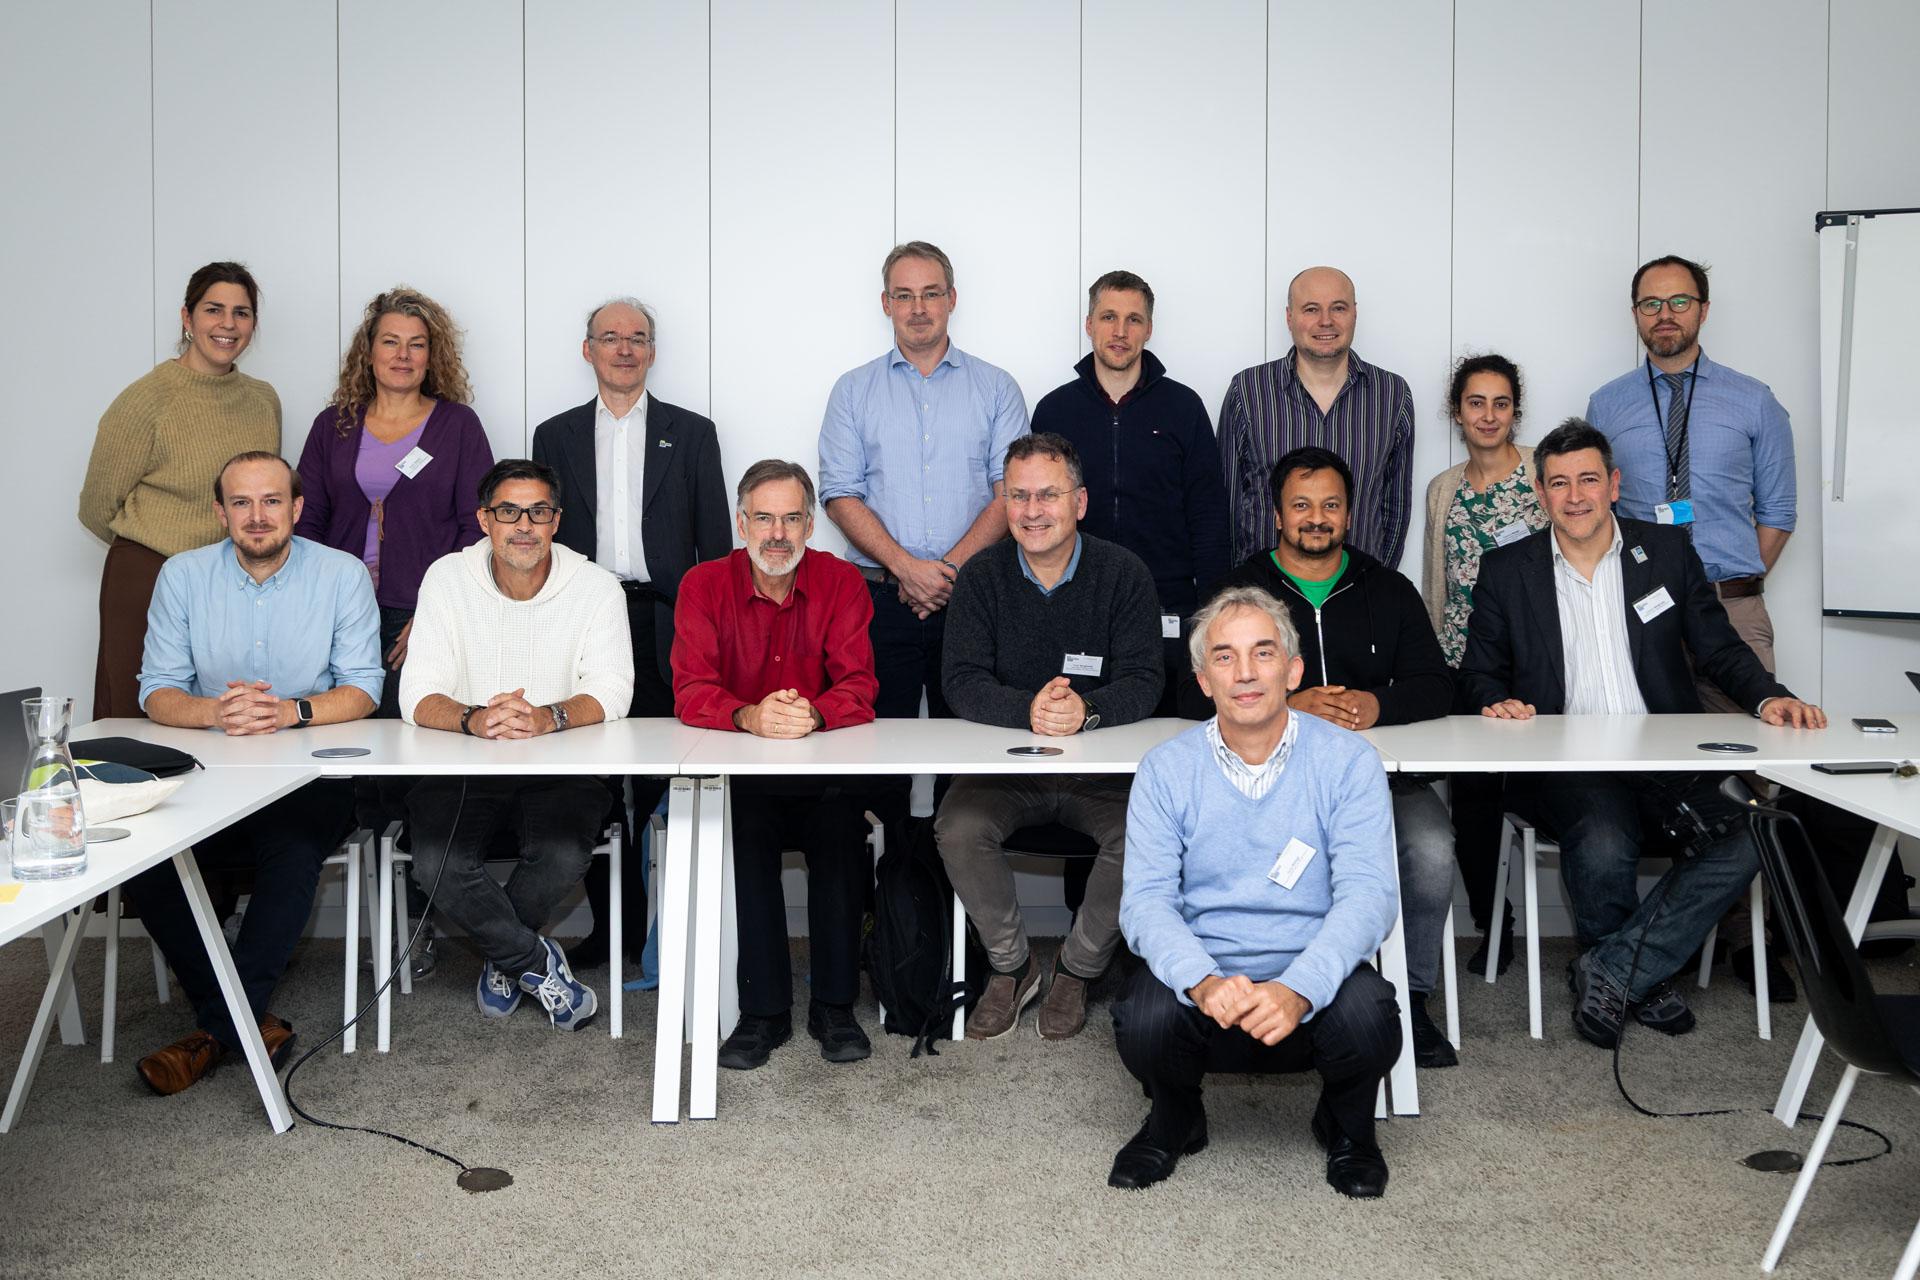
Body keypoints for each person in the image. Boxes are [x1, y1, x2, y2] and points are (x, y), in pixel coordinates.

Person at [1457, 419, 1826, 1048]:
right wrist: (1496, 700)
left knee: (1754, 833)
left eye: (1589, 480)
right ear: (1540, 496)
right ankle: (1640, 975)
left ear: (1614, 484)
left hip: (1664, 751)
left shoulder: (1667, 551)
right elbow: (1478, 672)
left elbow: (1719, 648)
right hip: (1565, 761)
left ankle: (1613, 968)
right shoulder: (1506, 569)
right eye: (1559, 484)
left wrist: (1770, 697)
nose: (1575, 497)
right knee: (1603, 839)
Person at [1111, 586, 1401, 1197]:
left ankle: (1348, 1127)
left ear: (1293, 670)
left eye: (1263, 653)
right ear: (1201, 679)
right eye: (1224, 657)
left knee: (1373, 1018)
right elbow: (1145, 903)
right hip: (1209, 981)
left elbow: (1369, 895)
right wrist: (1202, 979)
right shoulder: (1164, 769)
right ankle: (1175, 1118)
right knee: (1141, 1018)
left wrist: (1299, 987)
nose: (1245, 673)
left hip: (1310, 975)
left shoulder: (1350, 762)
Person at [126, 451, 382, 1096]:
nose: (257, 515)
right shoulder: (182, 576)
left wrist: (289, 712)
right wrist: (215, 711)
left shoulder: (342, 574)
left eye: (272, 501)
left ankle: (212, 1030)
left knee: (291, 853)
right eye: (241, 503)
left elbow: (364, 689)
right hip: (213, 768)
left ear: (296, 508)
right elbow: (156, 691)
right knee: (146, 860)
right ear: (220, 513)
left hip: (310, 775)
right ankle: (240, 1020)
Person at [1199, 446, 1457, 1068]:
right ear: (1277, 515)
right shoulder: (1239, 593)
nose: (1317, 517)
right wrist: (1283, 700)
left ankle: (1413, 998)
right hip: (1261, 787)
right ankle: (1244, 990)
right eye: (1302, 505)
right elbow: (1188, 688)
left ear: (1349, 515)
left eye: (1331, 505)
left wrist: (1376, 703)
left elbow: (1439, 683)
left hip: (1379, 782)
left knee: (1430, 848)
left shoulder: (1388, 588)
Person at [934, 433, 1162, 1041]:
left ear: (1080, 502)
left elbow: (1146, 678)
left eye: (1048, 495)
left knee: (1148, 832)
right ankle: (1011, 966)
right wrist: (1029, 711)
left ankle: (1076, 967)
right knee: (957, 827)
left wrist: (1085, 709)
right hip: (1005, 771)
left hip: (1102, 776)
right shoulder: (981, 577)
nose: (1032, 510)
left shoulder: (1124, 574)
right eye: (1018, 496)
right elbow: (959, 679)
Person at [400, 459, 633, 1031]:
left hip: (562, 761)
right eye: (508, 511)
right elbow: (417, 694)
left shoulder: (597, 587)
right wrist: (477, 719)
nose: (523, 525)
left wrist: (547, 717)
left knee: (561, 855)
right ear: (484, 519)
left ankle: (506, 957)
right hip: (464, 761)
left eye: (538, 511)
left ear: (557, 520)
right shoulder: (446, 579)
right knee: (436, 864)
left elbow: (612, 690)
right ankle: (530, 960)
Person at [532, 296, 730, 969]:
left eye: (637, 338)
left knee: (662, 773)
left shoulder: (693, 432)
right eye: (609, 337)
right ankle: (614, 926)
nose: (624, 349)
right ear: (587, 349)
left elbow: (716, 547)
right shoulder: (553, 436)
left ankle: (669, 930)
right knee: (593, 772)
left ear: (652, 350)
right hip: (584, 618)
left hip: (667, 618)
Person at [672, 460, 880, 1068]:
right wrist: (749, 717)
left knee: (843, 835)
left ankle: (834, 1007)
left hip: (822, 773)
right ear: (742, 523)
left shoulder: (842, 583)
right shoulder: (703, 585)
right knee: (744, 836)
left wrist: (809, 715)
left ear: (810, 525)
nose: (777, 534)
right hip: (744, 775)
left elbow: (860, 685)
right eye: (763, 518)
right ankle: (762, 1013)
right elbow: (690, 688)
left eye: (791, 518)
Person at [817, 241, 1029, 821]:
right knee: (872, 754)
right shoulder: (853, 391)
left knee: (971, 756)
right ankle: (885, 900)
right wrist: (909, 571)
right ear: (885, 303)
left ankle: (949, 901)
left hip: (976, 600)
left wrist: (948, 572)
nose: (918, 308)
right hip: (879, 599)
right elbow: (839, 493)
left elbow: (1010, 492)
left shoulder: (996, 388)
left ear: (952, 300)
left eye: (930, 294)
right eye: (904, 295)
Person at [1585, 254, 1796, 713]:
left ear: (1703, 309)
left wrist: (1726, 583)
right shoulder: (1606, 405)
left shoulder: (1754, 400)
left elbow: (1779, 512)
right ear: (1636, 314)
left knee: (1748, 749)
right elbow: (1600, 512)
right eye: (1650, 304)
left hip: (1733, 612)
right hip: (1643, 607)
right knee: (1649, 755)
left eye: (1679, 301)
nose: (1665, 314)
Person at [80, 262, 281, 719]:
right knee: (136, 716)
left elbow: (259, 492)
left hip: (229, 579)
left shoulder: (263, 400)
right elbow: (96, 507)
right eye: (214, 310)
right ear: (187, 318)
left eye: (242, 313)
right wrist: (159, 541)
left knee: (221, 711)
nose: (228, 325)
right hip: (148, 575)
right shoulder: (145, 400)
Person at [1031, 270, 1229, 715]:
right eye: (1108, 317)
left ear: (1149, 329)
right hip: (1077, 599)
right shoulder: (1055, 409)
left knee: (1169, 727)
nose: (1120, 332)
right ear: (1089, 324)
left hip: (1170, 603)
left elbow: (1208, 512)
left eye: (1134, 319)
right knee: (1084, 724)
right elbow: (1036, 513)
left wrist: (1212, 606)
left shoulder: (1183, 407)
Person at [296, 287, 494, 720]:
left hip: (421, 609)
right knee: (338, 730)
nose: (403, 355)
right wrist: (317, 599)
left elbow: (476, 526)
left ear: (431, 356)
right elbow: (306, 519)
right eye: (391, 341)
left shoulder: (458, 426)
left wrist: (434, 610)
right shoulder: (334, 426)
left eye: (417, 344)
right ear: (368, 353)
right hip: (340, 608)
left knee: (408, 733)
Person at [1421, 353, 1547, 976]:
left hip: (1533, 661)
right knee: (1471, 799)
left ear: (1515, 410)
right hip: (1462, 664)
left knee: (1542, 790)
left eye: (1501, 403)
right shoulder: (1442, 490)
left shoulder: (1544, 475)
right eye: (1476, 403)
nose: (1489, 415)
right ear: (1457, 412)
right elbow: (1435, 585)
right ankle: (1494, 922)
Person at [1218, 266, 1414, 570]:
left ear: (1354, 314)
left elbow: (1395, 508)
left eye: (1338, 307)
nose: (1326, 320)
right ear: (1289, 317)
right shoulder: (1249, 391)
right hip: (1266, 595)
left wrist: (1376, 581)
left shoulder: (1392, 395)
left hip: (1358, 592)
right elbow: (1227, 501)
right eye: (1311, 309)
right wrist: (1243, 584)